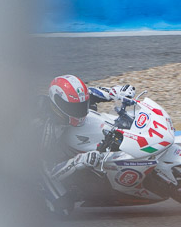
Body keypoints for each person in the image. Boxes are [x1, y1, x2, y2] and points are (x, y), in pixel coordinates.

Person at [36, 74, 136, 215]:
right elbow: (49, 169)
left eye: (82, 106)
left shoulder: (72, 102)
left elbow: (92, 93)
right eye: (75, 108)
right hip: (37, 160)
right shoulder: (47, 130)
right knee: (63, 208)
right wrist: (79, 160)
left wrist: (117, 92)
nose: (80, 111)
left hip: (59, 142)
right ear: (59, 105)